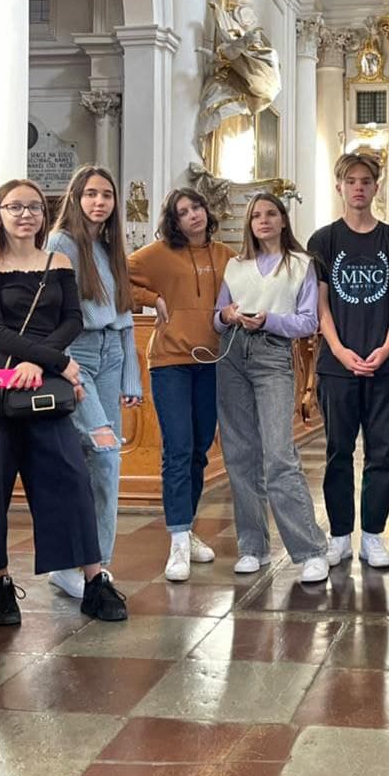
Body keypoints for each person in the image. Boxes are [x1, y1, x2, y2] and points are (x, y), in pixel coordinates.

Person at [0, 179, 128, 626]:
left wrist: (42, 362)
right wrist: (56, 362)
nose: (25, 214)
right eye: (15, 207)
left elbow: (72, 320)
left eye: (33, 207)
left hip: (44, 378)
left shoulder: (58, 261)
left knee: (69, 474)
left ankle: (93, 579)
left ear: (44, 215)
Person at [213, 193, 330, 584]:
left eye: (270, 214)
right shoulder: (235, 265)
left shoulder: (300, 264)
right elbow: (217, 318)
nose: (263, 221)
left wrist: (269, 321)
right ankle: (253, 547)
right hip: (232, 354)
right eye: (256, 216)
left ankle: (311, 550)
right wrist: (227, 314)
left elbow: (308, 321)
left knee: (279, 454)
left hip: (272, 354)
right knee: (240, 454)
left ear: (283, 220)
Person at [307, 152, 389, 569]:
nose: (358, 187)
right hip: (338, 365)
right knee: (338, 452)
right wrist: (339, 350)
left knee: (381, 453)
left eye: (366, 181)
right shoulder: (323, 240)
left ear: (376, 187)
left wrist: (386, 349)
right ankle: (339, 535)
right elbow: (319, 304)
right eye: (351, 181)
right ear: (339, 187)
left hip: (382, 365)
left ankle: (373, 535)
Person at [43, 166, 144, 599]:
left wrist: (131, 375)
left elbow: (125, 317)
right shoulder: (60, 243)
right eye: (90, 194)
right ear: (75, 198)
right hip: (77, 355)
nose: (99, 202)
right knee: (99, 457)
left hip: (111, 355)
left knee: (105, 460)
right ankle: (74, 564)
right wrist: (62, 363)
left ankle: (95, 565)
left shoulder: (109, 247)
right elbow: (49, 311)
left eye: (106, 195)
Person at [128, 188, 235, 581]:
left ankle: (186, 528)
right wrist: (150, 297)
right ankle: (177, 541)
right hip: (171, 361)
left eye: (197, 207)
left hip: (212, 362)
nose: (193, 215)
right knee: (178, 449)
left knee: (199, 450)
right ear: (174, 221)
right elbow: (115, 276)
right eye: (183, 211)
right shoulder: (157, 254)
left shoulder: (225, 255)